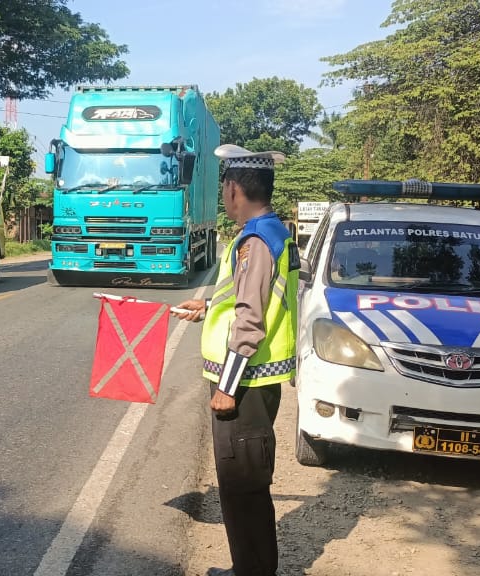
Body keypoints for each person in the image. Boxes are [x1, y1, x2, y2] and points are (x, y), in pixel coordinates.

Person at [173, 144, 299, 576]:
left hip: (244, 386)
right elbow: (248, 300)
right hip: (257, 381)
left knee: (242, 488)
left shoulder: (256, 240)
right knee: (246, 487)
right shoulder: (271, 231)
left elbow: (250, 318)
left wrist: (227, 386)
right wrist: (208, 308)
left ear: (233, 189)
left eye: (223, 187)